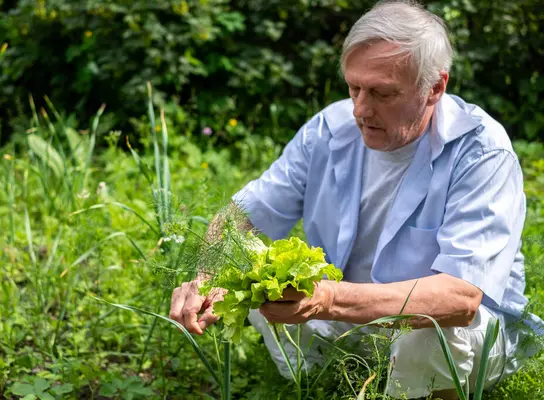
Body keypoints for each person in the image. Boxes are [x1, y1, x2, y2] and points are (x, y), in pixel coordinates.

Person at [170, 0, 543, 398]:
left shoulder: (481, 151)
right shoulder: (328, 131)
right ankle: (325, 382)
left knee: (432, 331)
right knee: (254, 268)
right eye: (354, 88)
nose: (361, 109)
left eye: (383, 93)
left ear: (434, 88)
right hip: (353, 319)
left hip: (461, 336)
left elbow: (461, 297)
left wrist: (327, 297)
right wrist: (206, 275)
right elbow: (240, 217)